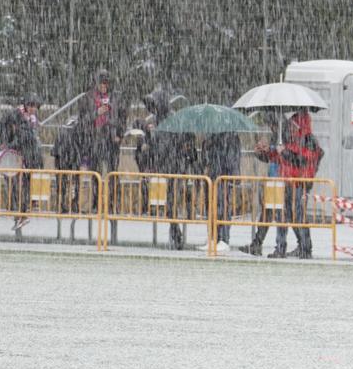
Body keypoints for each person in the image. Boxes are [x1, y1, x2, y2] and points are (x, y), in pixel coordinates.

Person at [246, 109, 322, 259]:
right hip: (286, 182)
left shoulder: (309, 140)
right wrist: (262, 153)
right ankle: (283, 248)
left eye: (294, 124)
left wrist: (283, 152)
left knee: (297, 218)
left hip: (298, 184)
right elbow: (275, 158)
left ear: (301, 124)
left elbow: (303, 160)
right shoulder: (290, 139)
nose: (292, 127)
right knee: (285, 217)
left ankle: (304, 249)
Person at [134, 91, 192, 250]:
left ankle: (177, 237)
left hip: (173, 167)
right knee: (169, 205)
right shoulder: (161, 119)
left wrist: (151, 137)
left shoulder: (171, 120)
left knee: (171, 205)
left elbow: (164, 145)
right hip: (168, 166)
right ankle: (176, 236)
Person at [75, 70, 127, 206]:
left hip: (111, 138)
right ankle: (96, 203)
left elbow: (123, 117)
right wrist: (96, 113)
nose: (104, 86)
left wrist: (120, 135)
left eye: (106, 83)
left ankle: (113, 203)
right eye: (101, 83)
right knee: (95, 172)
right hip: (94, 138)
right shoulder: (88, 98)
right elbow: (81, 120)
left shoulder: (116, 97)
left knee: (112, 172)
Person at [0, 95, 44, 232]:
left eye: (36, 107)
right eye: (32, 106)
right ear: (26, 105)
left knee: (24, 185)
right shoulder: (15, 115)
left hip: (28, 157)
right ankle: (20, 213)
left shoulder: (32, 120)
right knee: (16, 185)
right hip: (15, 156)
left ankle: (22, 212)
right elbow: (1, 126)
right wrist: (6, 142)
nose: (34, 109)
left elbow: (29, 139)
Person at [201, 130, 241, 251]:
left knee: (222, 207)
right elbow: (206, 157)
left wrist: (233, 175)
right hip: (212, 176)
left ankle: (223, 238)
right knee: (211, 207)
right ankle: (213, 237)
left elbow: (231, 159)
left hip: (223, 176)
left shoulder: (231, 136)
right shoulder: (211, 136)